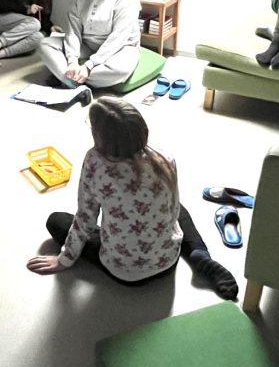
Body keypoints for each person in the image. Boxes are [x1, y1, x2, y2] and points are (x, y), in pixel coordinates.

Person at [27, 97, 239, 300]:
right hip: (168, 260)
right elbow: (173, 210)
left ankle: (161, 252)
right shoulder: (164, 158)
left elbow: (85, 219)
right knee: (177, 206)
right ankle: (199, 254)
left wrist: (64, 260)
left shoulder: (95, 162)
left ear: (99, 135)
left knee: (56, 220)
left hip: (126, 273)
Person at [37, 0, 142, 88]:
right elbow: (73, 30)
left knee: (121, 70)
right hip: (87, 44)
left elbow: (118, 39)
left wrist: (89, 65)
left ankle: (66, 77)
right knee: (44, 44)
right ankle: (71, 79)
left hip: (120, 48)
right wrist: (72, 61)